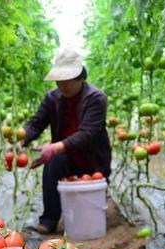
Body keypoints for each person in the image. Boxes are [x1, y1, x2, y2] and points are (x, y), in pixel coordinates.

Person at [22, 48, 112, 234]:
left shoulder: (96, 98)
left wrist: (57, 146)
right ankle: (49, 220)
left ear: (80, 77)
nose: (62, 85)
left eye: (67, 80)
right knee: (52, 166)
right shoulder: (52, 98)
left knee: (90, 195)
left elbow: (88, 132)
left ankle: (91, 219)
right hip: (66, 157)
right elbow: (36, 123)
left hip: (93, 158)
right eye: (59, 80)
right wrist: (21, 139)